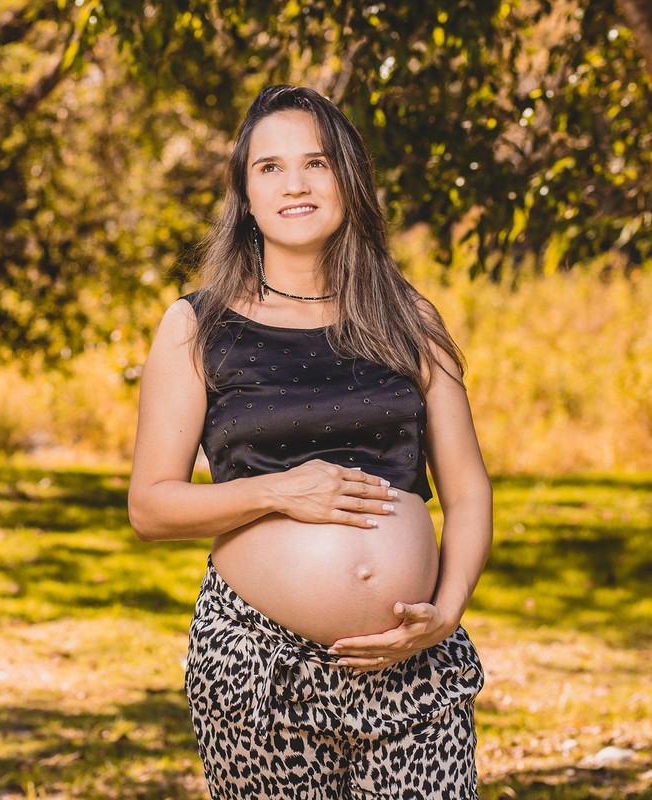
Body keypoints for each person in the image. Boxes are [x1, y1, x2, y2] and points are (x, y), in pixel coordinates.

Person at [127, 84, 493, 799]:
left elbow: (469, 486)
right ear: (246, 194)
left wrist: (446, 613)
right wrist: (279, 491)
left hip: (411, 663)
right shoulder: (195, 326)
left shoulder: (406, 315)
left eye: (316, 163)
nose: (294, 183)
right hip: (257, 667)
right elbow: (150, 507)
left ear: (347, 180)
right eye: (269, 167)